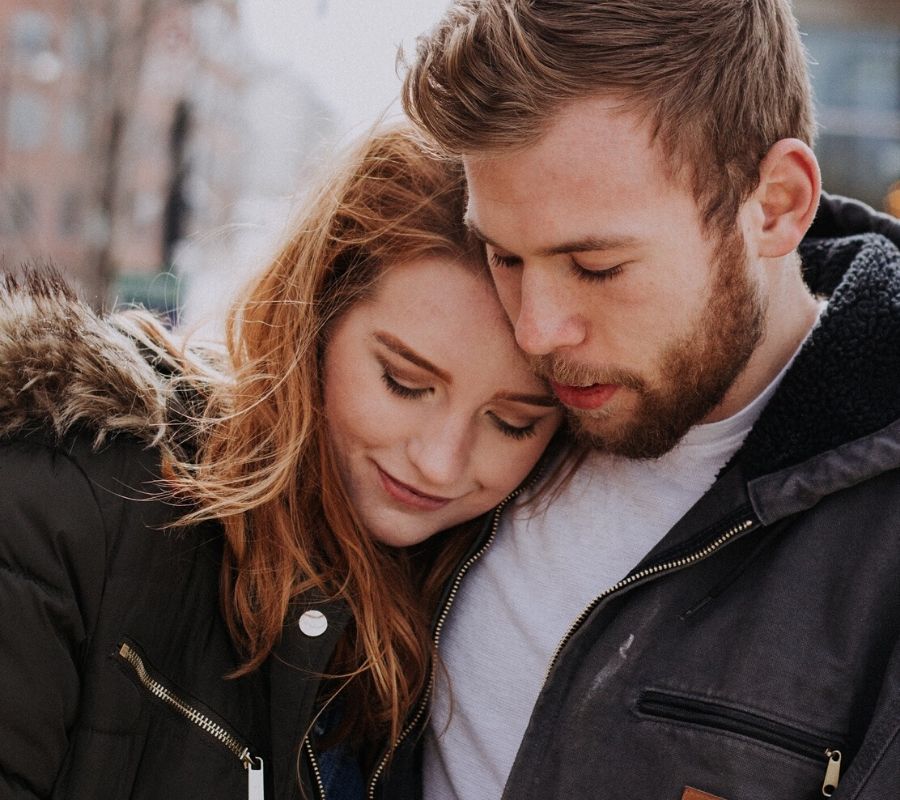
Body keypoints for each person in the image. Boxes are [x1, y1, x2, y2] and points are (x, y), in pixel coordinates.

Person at [394, 1, 900, 798]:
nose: (535, 331)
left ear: (775, 204)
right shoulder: (480, 401)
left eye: (597, 268)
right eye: (505, 257)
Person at [0, 126, 562, 799]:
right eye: (404, 383)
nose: (440, 464)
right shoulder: (66, 497)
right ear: (311, 319)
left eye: (512, 422)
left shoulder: (486, 599)